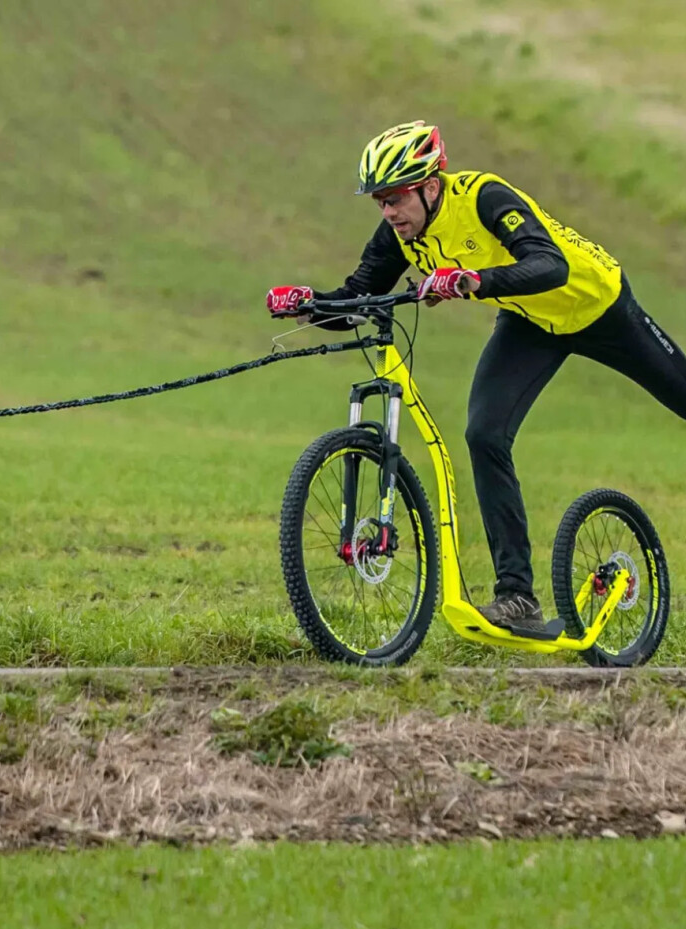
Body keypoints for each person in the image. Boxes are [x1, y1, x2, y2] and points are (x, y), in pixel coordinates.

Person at [267, 120, 686, 631]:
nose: (388, 212)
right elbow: (361, 296)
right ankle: (517, 598)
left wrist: (472, 280)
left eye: (395, 198)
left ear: (430, 183)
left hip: (600, 306)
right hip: (531, 322)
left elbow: (549, 266)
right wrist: (309, 306)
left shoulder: (486, 196)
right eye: (379, 202)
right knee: (484, 433)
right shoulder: (400, 234)